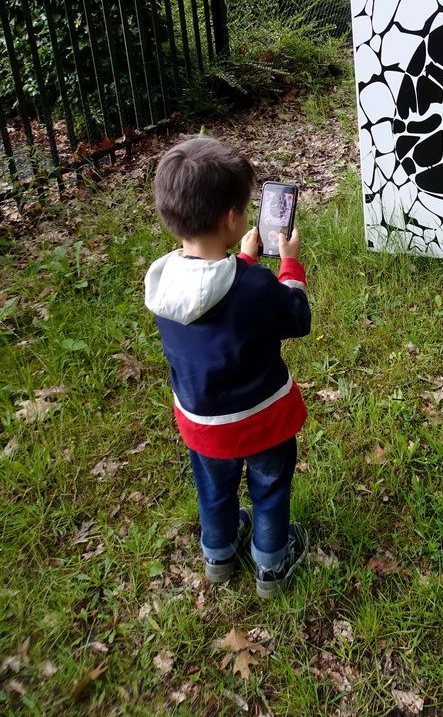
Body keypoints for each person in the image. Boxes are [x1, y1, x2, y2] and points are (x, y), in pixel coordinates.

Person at [144, 135, 311, 598]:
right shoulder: (255, 285)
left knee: (214, 490)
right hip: (262, 421)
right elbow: (296, 318)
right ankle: (272, 565)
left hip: (203, 425)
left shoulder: (164, 282)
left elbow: (209, 289)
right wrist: (290, 266)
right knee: (270, 486)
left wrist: (242, 259)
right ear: (232, 218)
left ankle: (218, 554)